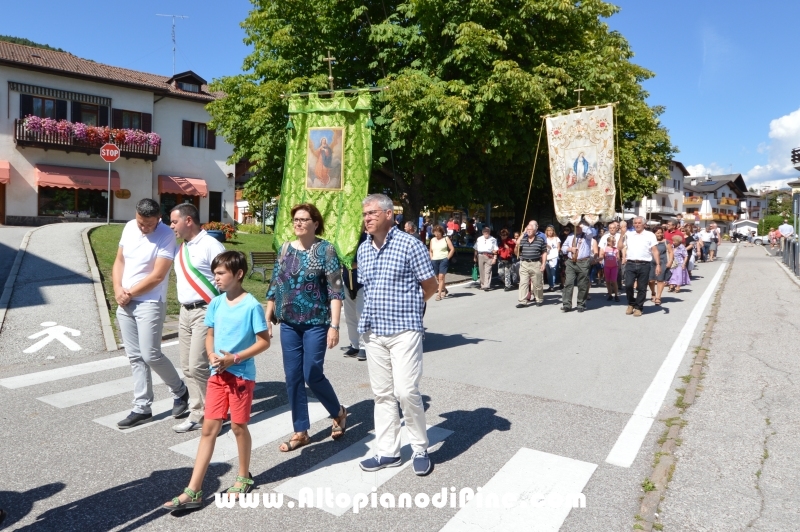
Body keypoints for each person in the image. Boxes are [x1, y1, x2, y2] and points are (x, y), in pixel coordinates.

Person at [163, 251, 271, 510]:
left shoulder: (251, 305)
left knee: (237, 427)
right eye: (215, 273)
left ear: (239, 274)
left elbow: (264, 342)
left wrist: (235, 358)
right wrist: (211, 353)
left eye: (221, 273)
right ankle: (194, 490)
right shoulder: (215, 303)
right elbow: (210, 335)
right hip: (217, 376)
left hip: (241, 376)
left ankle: (244, 477)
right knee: (208, 430)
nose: (216, 278)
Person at [357, 193, 438, 476]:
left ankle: (419, 447)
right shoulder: (363, 249)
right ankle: (388, 452)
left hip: (404, 329)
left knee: (406, 392)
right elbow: (368, 288)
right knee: (382, 395)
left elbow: (429, 285)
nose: (366, 218)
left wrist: (413, 309)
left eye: (372, 213)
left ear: (389, 214)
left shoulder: (410, 245)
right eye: (365, 214)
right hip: (374, 331)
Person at [266, 203, 348, 452]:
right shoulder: (284, 250)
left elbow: (336, 290)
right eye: (295, 219)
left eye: (303, 219)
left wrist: (334, 326)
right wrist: (267, 316)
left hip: (316, 323)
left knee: (312, 373)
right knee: (293, 377)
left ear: (315, 223)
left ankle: (338, 411)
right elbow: (274, 285)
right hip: (289, 323)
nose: (298, 223)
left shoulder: (326, 250)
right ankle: (301, 431)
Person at [113, 199, 188, 429]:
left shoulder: (166, 235)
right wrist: (118, 289)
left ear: (159, 219)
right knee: (135, 356)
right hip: (125, 301)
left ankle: (180, 391)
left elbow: (158, 275)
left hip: (150, 302)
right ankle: (142, 407)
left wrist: (130, 293)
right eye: (140, 223)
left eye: (148, 224)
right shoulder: (129, 227)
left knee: (150, 354)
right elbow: (119, 261)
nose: (143, 228)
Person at [169, 203, 225, 433]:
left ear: (188, 220)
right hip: (185, 312)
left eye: (174, 221)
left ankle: (214, 415)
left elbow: (227, 277)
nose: (171, 225)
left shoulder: (211, 245)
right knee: (187, 367)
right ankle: (197, 412)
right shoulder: (182, 248)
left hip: (206, 311)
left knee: (198, 365)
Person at [622, 216, 659, 317]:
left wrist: (658, 264)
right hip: (630, 263)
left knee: (642, 287)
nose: (637, 225)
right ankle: (631, 303)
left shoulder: (650, 235)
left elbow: (655, 250)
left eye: (639, 223)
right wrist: (621, 234)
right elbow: (620, 247)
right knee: (628, 285)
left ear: (644, 224)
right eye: (635, 223)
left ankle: (639, 307)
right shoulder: (629, 234)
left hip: (644, 264)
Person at [341, 229, 368, 361]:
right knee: (349, 314)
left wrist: (356, 265)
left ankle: (364, 346)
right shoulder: (344, 236)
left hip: (362, 282)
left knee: (361, 313)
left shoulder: (368, 238)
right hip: (347, 279)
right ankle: (355, 344)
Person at [561, 223, 597, 313]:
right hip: (571, 261)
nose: (576, 228)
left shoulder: (587, 236)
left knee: (582, 284)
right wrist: (570, 249)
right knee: (568, 283)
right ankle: (566, 304)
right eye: (575, 226)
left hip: (583, 262)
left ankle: (581, 304)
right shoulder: (570, 236)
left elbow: (590, 233)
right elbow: (563, 247)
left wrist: (581, 224)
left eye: (578, 226)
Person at [515, 221, 547, 308]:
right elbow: (517, 243)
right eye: (527, 229)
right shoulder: (524, 239)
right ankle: (523, 301)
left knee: (537, 283)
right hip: (524, 263)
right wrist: (523, 232)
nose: (528, 231)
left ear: (535, 230)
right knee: (523, 283)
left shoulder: (540, 240)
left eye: (530, 229)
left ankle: (539, 299)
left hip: (536, 263)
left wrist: (543, 263)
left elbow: (544, 252)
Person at [429, 224, 455, 300]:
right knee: (437, 277)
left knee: (441, 277)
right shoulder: (432, 240)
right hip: (434, 260)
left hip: (443, 259)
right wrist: (431, 258)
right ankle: (444, 289)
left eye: (438, 232)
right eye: (435, 232)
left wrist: (447, 258)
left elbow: (452, 249)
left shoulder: (446, 239)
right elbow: (430, 251)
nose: (436, 234)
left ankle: (439, 294)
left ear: (441, 232)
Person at [648, 227, 673, 306]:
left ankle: (658, 297)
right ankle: (653, 292)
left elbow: (671, 252)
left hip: (662, 262)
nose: (659, 234)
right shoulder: (650, 241)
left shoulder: (666, 242)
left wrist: (670, 261)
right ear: (654, 234)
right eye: (657, 233)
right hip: (651, 262)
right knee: (651, 280)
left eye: (661, 232)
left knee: (660, 280)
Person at [473, 226, 498, 291]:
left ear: (489, 232)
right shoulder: (479, 239)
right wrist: (475, 257)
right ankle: (482, 284)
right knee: (481, 271)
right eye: (485, 232)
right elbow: (476, 248)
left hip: (489, 256)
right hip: (480, 255)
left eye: (488, 232)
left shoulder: (493, 239)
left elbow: (495, 249)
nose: (486, 233)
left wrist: (495, 258)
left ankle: (487, 285)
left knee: (488, 271)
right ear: (482, 232)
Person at [603, 235, 620, 302]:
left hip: (614, 267)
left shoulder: (616, 249)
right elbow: (602, 256)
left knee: (614, 281)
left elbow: (618, 258)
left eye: (614, 241)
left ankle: (616, 295)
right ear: (608, 242)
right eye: (612, 241)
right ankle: (610, 294)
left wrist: (619, 260)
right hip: (607, 266)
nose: (614, 243)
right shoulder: (605, 249)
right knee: (607, 281)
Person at [544, 225, 561, 292]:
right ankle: (550, 284)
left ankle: (552, 285)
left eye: (551, 230)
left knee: (553, 271)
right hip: (546, 256)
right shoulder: (545, 239)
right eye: (549, 231)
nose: (550, 232)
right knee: (548, 273)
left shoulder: (556, 238)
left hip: (554, 256)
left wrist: (556, 254)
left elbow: (558, 247)